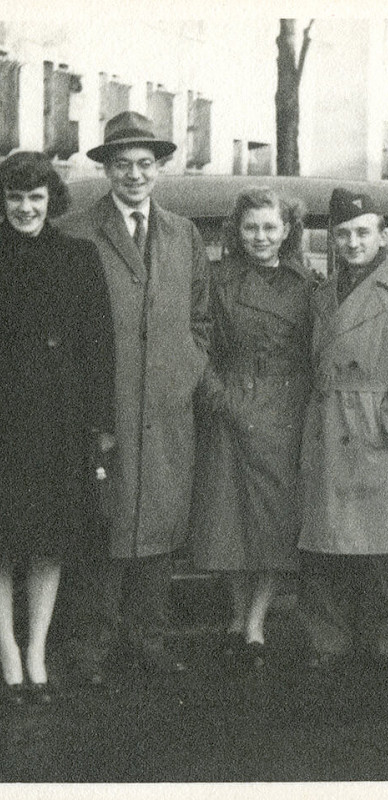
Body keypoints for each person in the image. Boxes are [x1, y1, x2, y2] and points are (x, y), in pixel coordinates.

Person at [59, 111, 211, 682]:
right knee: (105, 522)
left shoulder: (183, 233)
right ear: (106, 169)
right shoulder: (77, 230)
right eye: (122, 164)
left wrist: (185, 371)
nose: (134, 174)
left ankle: (149, 638)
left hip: (168, 407)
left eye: (145, 164)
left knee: (160, 523)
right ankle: (89, 647)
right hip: (105, 402)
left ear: (160, 168)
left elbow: (201, 318)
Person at [297, 188, 388, 671]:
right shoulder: (322, 293)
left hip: (372, 433)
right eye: (342, 234)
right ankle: (328, 640)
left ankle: (386, 641)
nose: (352, 242)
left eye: (362, 232)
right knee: (325, 547)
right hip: (327, 427)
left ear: (383, 235)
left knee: (377, 548)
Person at [0, 152, 115, 705]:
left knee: (49, 539)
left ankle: (37, 651)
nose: (26, 208)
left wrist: (101, 424)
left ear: (52, 200)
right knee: (2, 542)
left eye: (36, 197)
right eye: (16, 197)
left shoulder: (77, 256)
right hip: (3, 419)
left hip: (58, 420)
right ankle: (8, 653)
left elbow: (99, 347)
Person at [191, 189, 313, 669]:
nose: (260, 237)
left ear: (287, 230)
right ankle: (236, 615)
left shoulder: (306, 285)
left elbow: (311, 352)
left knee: (270, 520)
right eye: (250, 228)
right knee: (231, 519)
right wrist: (218, 396)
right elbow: (197, 342)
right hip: (227, 403)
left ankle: (256, 622)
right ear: (237, 232)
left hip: (282, 410)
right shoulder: (216, 281)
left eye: (269, 227)